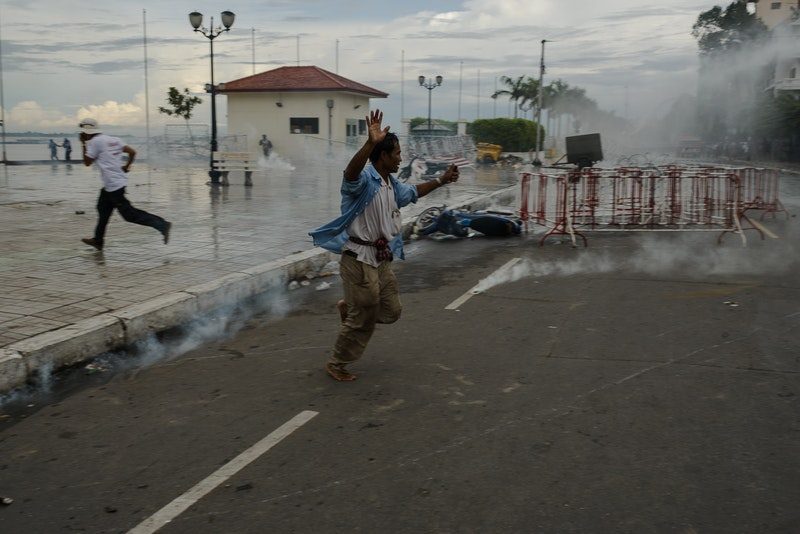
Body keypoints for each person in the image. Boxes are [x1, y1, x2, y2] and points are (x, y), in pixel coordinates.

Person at [309, 109, 459, 381]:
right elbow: (350, 174)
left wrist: (441, 180)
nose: (401, 157)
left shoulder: (392, 183)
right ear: (383, 156)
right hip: (358, 258)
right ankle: (337, 363)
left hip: (382, 258)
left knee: (392, 311)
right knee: (362, 319)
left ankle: (351, 307)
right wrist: (369, 143)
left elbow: (414, 193)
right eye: (397, 153)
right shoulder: (365, 180)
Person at [78, 118, 171, 251]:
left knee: (129, 215)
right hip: (116, 182)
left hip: (113, 185)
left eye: (83, 132)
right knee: (102, 209)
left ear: (86, 131)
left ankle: (162, 225)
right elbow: (132, 152)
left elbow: (87, 162)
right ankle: (98, 240)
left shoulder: (93, 142)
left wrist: (83, 144)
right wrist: (126, 166)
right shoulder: (113, 139)